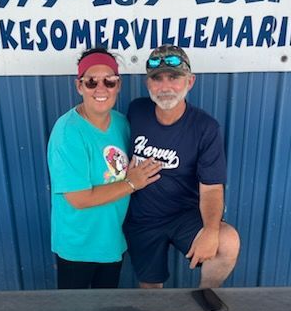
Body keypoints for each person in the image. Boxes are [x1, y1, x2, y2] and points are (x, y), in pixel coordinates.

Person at [124, 44, 240, 289]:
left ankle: (206, 295)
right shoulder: (136, 111)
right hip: (143, 218)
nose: (165, 86)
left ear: (190, 81)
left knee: (227, 241)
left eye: (174, 77)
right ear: (148, 83)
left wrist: (210, 230)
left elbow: (211, 189)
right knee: (150, 291)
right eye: (157, 78)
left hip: (184, 216)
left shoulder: (206, 127)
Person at [47, 47, 161, 289]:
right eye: (91, 82)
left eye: (109, 82)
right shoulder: (68, 132)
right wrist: (132, 184)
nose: (101, 89)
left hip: (111, 241)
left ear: (118, 86)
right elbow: (78, 198)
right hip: (79, 245)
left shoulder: (122, 124)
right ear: (79, 86)